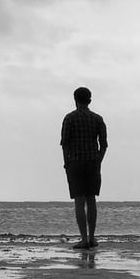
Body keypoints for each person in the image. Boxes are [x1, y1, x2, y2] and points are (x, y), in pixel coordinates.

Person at [60, 86, 108, 249]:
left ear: (75, 100)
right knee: (91, 200)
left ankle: (84, 238)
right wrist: (98, 160)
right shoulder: (97, 119)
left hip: (75, 162)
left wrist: (66, 162)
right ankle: (92, 238)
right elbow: (104, 144)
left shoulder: (70, 118)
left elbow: (65, 144)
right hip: (92, 162)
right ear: (89, 100)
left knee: (79, 202)